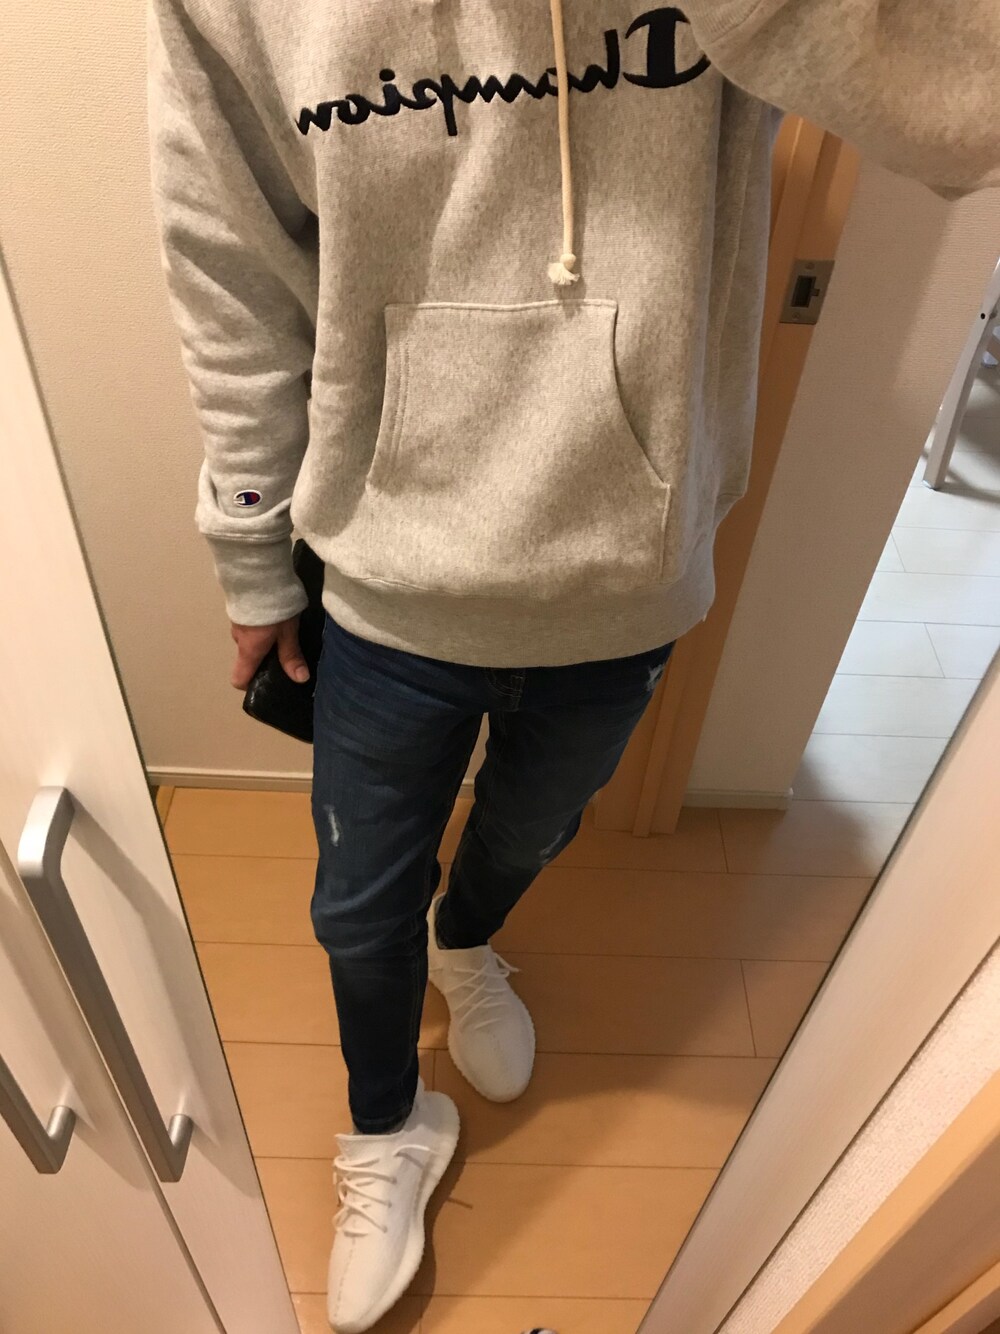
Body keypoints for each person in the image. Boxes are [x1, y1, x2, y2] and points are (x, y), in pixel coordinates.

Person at [146, 1, 999, 1328]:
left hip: (624, 569)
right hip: (386, 563)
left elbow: (966, 113)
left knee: (534, 825)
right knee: (353, 904)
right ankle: (388, 1124)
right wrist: (251, 549)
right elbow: (228, 261)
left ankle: (468, 941)